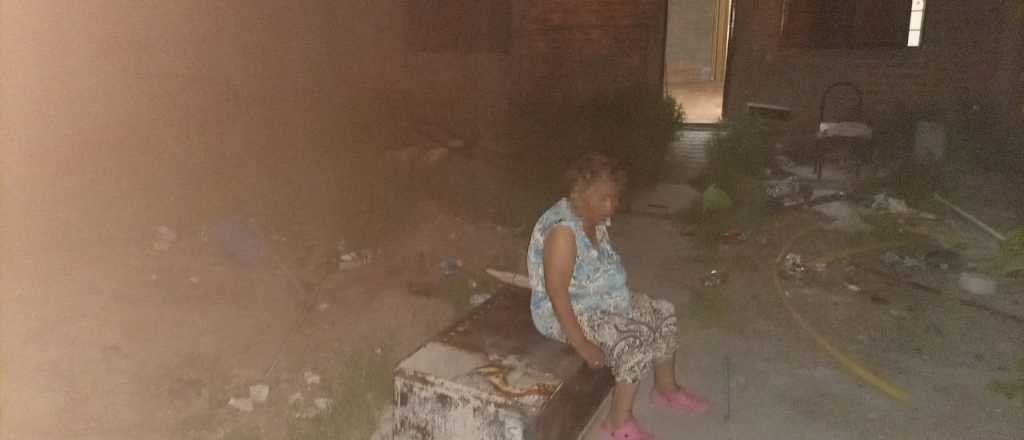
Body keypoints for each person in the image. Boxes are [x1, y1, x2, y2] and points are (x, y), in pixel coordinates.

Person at [526, 152, 708, 440]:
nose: (612, 206)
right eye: (604, 199)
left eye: (615, 198)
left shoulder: (591, 216)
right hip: (565, 313)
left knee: (663, 312)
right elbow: (557, 294)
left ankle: (666, 389)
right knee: (633, 338)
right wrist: (582, 345)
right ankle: (617, 422)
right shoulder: (563, 233)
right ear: (579, 192)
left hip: (597, 300)